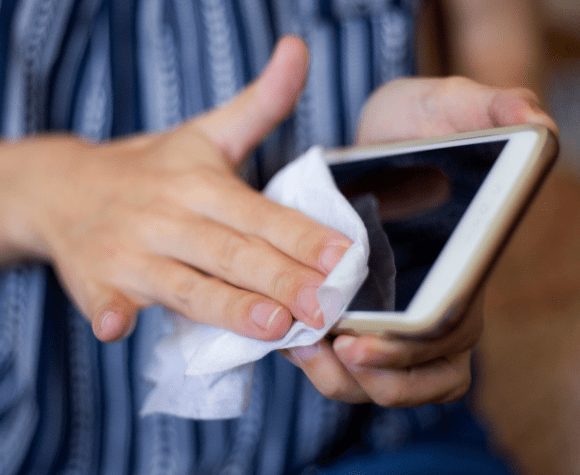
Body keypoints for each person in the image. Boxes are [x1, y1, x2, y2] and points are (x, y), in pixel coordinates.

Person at [0, 1, 556, 473]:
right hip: (45, 447)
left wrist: (438, 160)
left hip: (373, 441)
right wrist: (44, 187)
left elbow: (496, 38)